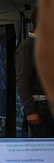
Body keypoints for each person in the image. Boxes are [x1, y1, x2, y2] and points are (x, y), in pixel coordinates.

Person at [16, 8, 54, 137]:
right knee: (45, 151)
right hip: (41, 106)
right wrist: (31, 110)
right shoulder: (27, 47)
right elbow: (22, 80)